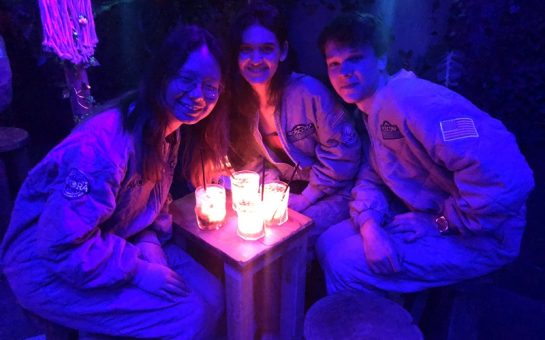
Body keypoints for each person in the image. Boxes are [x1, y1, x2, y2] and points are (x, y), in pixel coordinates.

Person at [0, 24, 227, 339]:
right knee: (188, 317)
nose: (199, 95)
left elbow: (146, 205)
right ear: (162, 75)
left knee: (215, 294)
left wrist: (150, 247)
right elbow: (60, 244)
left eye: (210, 86)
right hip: (44, 264)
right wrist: (139, 270)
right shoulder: (105, 146)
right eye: (186, 79)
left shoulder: (167, 132)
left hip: (111, 240)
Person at [315, 13, 534, 295]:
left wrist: (442, 222)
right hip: (432, 211)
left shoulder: (410, 100)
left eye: (355, 58)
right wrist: (369, 225)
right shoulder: (373, 112)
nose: (343, 72)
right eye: (334, 64)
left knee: (346, 265)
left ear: (381, 60)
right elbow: (373, 177)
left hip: (487, 233)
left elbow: (508, 174)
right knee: (328, 241)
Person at [228, 2, 361, 247]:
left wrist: (308, 196)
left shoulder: (309, 93)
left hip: (335, 190)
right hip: (289, 190)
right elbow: (256, 160)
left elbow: (344, 154)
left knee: (285, 238)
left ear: (283, 51)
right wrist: (263, 191)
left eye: (266, 49)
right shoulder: (240, 102)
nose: (255, 59)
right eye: (246, 50)